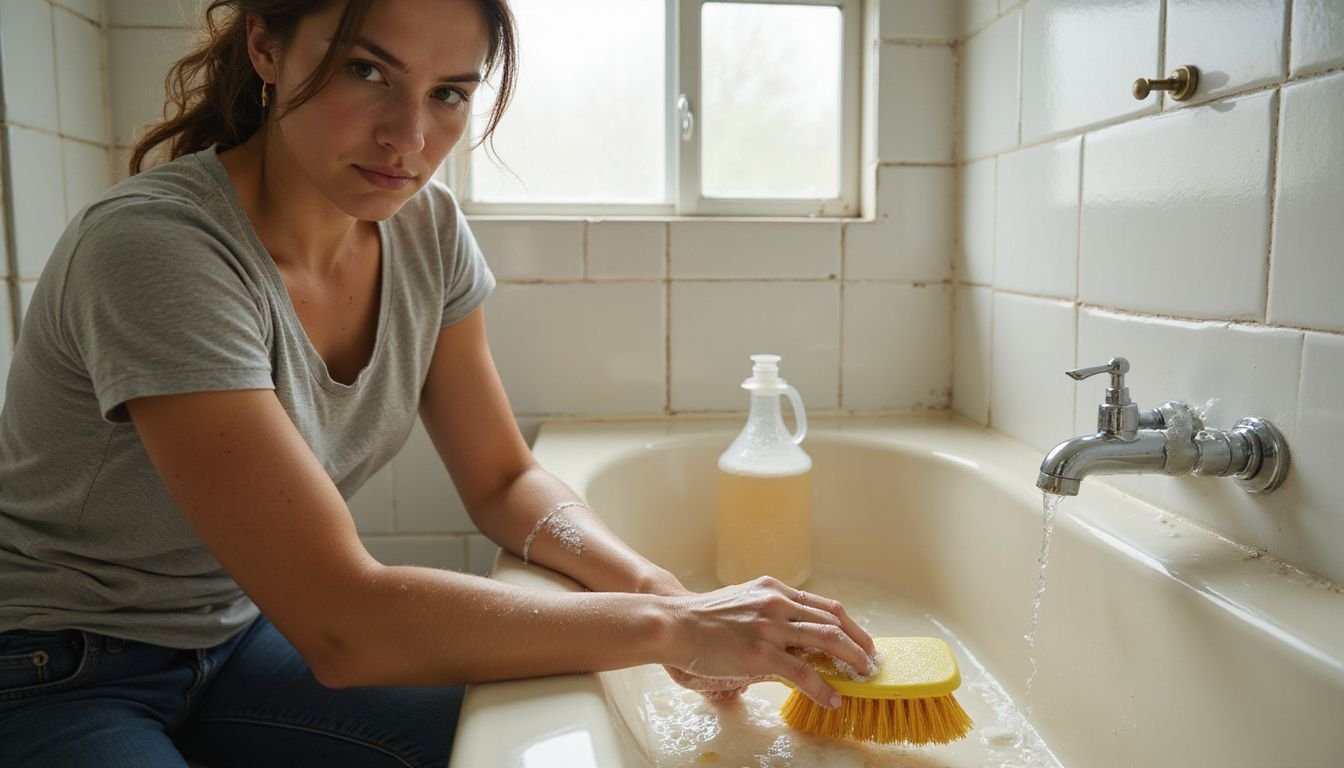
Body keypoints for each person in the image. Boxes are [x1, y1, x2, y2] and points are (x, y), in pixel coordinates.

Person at [0, 0, 876, 765]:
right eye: (366, 70)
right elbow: (343, 624)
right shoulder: (159, 251)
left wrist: (654, 588)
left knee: (526, 745)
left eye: (449, 92)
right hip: (53, 666)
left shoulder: (425, 231)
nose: (410, 139)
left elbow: (503, 479)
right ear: (265, 49)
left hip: (235, 636)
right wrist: (677, 631)